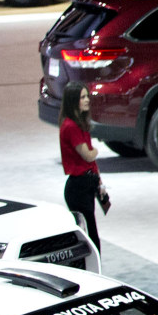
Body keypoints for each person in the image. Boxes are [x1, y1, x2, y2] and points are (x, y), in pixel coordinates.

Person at [59, 86, 104, 248]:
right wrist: (96, 151)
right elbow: (88, 155)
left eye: (87, 96)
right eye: (82, 97)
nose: (87, 100)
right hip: (78, 187)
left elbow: (90, 161)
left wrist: (99, 181)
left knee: (91, 232)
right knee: (89, 235)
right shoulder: (71, 126)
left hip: (87, 183)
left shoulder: (80, 125)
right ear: (73, 101)